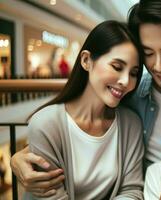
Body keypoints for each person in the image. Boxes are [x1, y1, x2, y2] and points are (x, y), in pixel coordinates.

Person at [11, 0, 161, 199]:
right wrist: (20, 157)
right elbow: (73, 131)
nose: (158, 66)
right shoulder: (129, 92)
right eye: (148, 53)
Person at [23, 20, 145, 199]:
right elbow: (52, 196)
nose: (126, 81)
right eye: (117, 67)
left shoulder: (130, 124)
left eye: (134, 73)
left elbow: (132, 191)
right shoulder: (45, 124)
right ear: (87, 60)